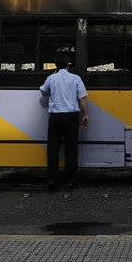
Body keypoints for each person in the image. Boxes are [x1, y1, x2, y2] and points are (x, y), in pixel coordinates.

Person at [39, 52, 89, 189]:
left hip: (55, 117)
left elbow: (43, 92)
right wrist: (86, 115)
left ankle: (52, 179)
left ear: (56, 65)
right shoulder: (76, 78)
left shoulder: (51, 78)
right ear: (68, 64)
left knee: (53, 148)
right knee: (71, 148)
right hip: (71, 117)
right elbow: (82, 99)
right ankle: (72, 179)